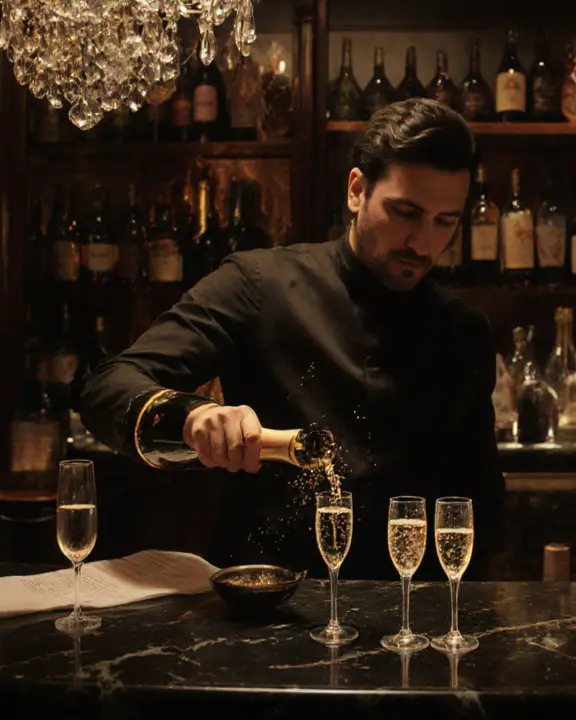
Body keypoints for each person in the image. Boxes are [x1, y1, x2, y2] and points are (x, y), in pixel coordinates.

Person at [80, 98, 506, 581]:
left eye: (444, 222)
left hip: (412, 621)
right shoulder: (260, 285)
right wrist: (192, 416)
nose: (422, 243)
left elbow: (481, 510)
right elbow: (107, 387)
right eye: (405, 212)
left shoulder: (464, 333)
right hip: (266, 608)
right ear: (356, 189)